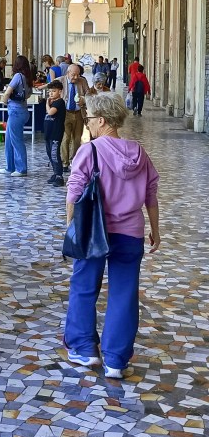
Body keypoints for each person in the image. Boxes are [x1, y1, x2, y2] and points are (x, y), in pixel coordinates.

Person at [63, 92, 160, 378]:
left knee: (84, 287)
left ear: (102, 120)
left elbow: (75, 190)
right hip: (131, 234)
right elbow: (151, 193)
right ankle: (116, 361)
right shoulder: (139, 153)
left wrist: (72, 227)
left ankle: (83, 349)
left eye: (90, 118)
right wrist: (156, 229)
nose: (88, 123)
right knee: (124, 294)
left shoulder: (90, 151)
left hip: (94, 231)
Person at [0, 55, 33, 178]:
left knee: (16, 140)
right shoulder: (28, 78)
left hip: (15, 112)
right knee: (9, 140)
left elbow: (8, 91)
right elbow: (28, 95)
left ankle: (21, 168)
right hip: (23, 110)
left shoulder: (17, 76)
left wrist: (4, 101)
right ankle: (10, 166)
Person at [61, 63, 90, 172]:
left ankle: (74, 160)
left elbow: (88, 94)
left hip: (79, 113)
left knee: (77, 138)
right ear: (68, 73)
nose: (76, 77)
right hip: (65, 113)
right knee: (66, 138)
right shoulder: (61, 81)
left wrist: (83, 99)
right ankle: (64, 163)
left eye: (78, 75)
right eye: (73, 75)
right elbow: (51, 90)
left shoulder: (82, 81)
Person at [44, 79, 66, 187]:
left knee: (54, 155)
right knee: (50, 154)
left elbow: (50, 112)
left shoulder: (59, 102)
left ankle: (59, 176)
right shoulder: (53, 103)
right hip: (49, 134)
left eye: (53, 91)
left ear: (60, 91)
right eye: (50, 92)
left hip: (55, 134)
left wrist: (47, 104)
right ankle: (55, 173)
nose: (51, 93)